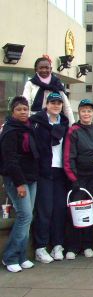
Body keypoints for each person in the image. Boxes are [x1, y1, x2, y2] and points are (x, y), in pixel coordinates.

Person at [63, 99, 93, 260]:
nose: (86, 113)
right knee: (74, 212)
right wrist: (73, 179)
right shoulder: (73, 131)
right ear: (79, 113)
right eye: (83, 111)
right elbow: (68, 157)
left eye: (89, 111)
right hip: (78, 177)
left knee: (89, 211)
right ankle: (73, 246)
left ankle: (88, 245)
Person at [29, 92, 69, 264]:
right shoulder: (37, 123)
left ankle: (57, 245)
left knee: (60, 210)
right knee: (45, 210)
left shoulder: (65, 123)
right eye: (52, 102)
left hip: (61, 171)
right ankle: (41, 247)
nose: (56, 105)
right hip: (44, 171)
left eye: (58, 103)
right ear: (47, 104)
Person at [0, 96, 39, 272]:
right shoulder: (10, 131)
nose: (23, 112)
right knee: (24, 216)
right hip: (17, 180)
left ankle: (22, 256)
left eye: (25, 109)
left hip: (31, 177)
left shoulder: (28, 128)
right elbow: (10, 161)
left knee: (28, 216)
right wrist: (19, 184)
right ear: (12, 112)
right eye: (19, 109)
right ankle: (10, 257)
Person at [23, 55, 74, 126]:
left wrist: (72, 126)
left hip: (55, 122)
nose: (44, 70)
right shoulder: (30, 84)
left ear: (51, 69)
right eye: (41, 68)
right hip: (36, 122)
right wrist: (26, 124)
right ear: (36, 69)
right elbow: (26, 104)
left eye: (47, 68)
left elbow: (66, 107)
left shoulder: (58, 84)